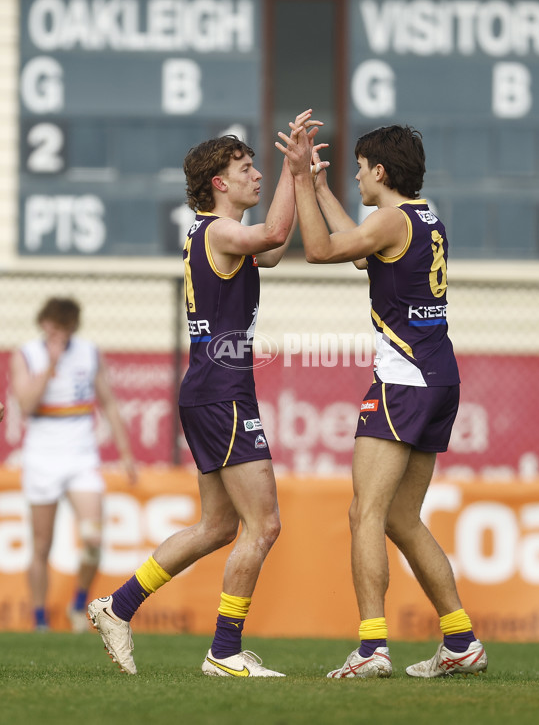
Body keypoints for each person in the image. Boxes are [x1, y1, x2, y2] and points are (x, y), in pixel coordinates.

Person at [88, 110, 322, 677]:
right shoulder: (218, 229)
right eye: (246, 168)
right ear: (219, 181)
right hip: (222, 392)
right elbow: (271, 235)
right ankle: (224, 651)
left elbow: (270, 250)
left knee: (218, 526)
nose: (256, 176)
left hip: (210, 388)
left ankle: (116, 607)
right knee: (263, 525)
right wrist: (296, 174)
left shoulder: (211, 233)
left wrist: (296, 180)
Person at [276, 121, 487, 679]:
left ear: (381, 172)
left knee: (364, 512)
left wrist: (299, 178)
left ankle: (372, 647)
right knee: (400, 517)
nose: (356, 176)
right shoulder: (423, 217)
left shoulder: (390, 219)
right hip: (441, 377)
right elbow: (363, 255)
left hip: (404, 380)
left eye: (360, 167)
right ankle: (461, 639)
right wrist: (321, 190)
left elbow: (322, 250)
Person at [11, 297, 137, 632]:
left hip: (81, 457)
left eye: (63, 328)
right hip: (41, 457)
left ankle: (79, 600)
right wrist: (50, 365)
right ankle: (39, 619)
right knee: (41, 545)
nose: (57, 334)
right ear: (43, 324)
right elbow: (25, 404)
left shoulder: (89, 352)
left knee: (94, 539)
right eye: (52, 326)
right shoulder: (26, 355)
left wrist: (125, 453)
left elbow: (108, 403)